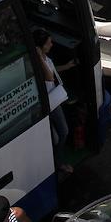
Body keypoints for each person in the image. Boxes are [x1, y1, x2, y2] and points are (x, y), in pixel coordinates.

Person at [33, 30, 74, 174]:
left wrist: (67, 67)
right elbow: (50, 77)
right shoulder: (38, 62)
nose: (51, 44)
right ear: (41, 47)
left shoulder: (45, 58)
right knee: (62, 133)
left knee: (57, 136)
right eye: (48, 43)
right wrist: (39, 57)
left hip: (53, 99)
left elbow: (53, 70)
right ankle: (59, 162)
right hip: (48, 103)